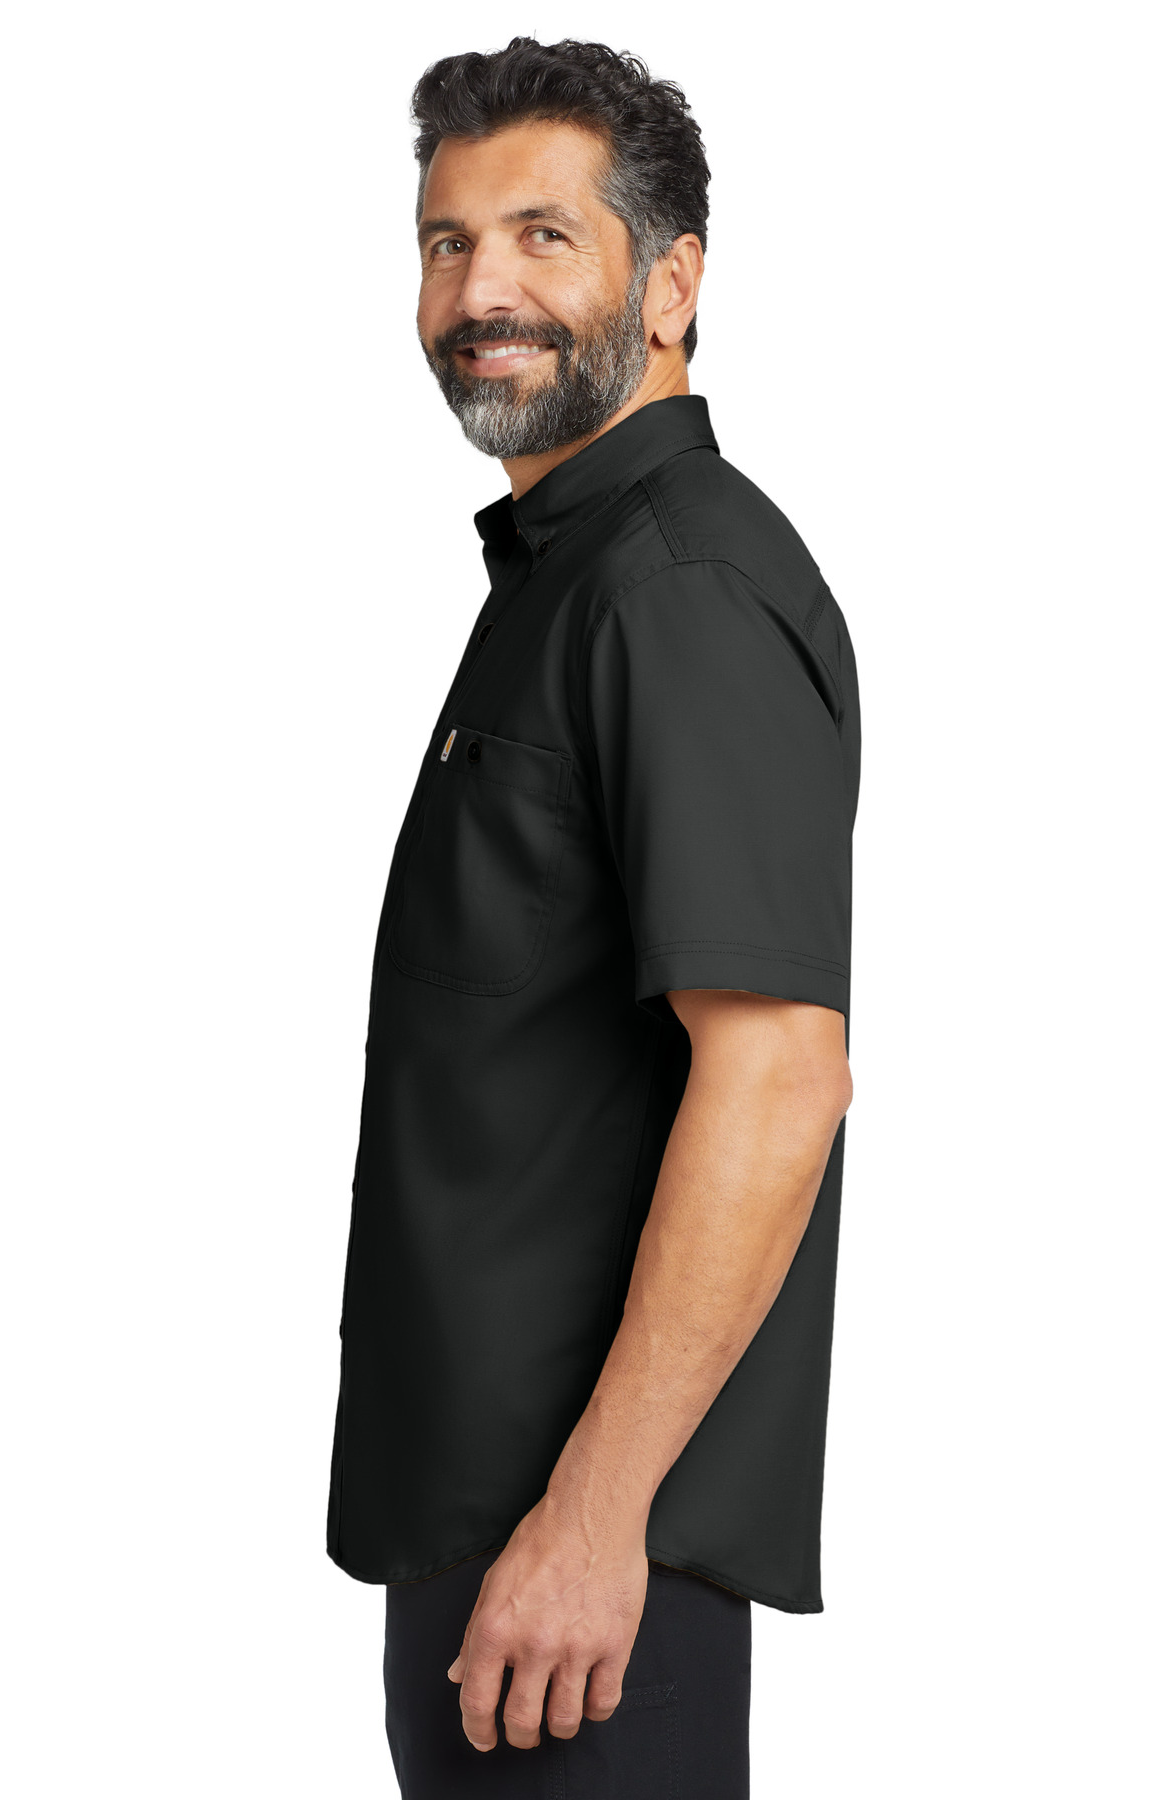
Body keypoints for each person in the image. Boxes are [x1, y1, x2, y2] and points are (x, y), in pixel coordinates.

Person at [326, 36, 861, 1798]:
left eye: (543, 238)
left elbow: (779, 1076)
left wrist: (591, 1519)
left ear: (673, 286)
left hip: (585, 1579)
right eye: (447, 242)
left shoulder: (678, 589)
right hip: (500, 1545)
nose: (480, 292)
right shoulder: (569, 580)